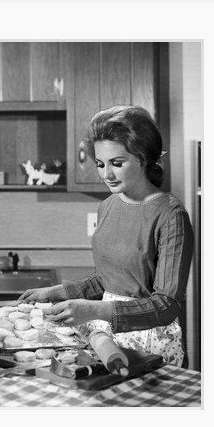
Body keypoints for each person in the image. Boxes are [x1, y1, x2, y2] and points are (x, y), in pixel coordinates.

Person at [17, 105, 194, 367]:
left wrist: (94, 309)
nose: (106, 174)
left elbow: (166, 305)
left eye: (117, 163)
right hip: (106, 339)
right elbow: (106, 280)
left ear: (144, 159)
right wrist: (56, 292)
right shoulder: (109, 205)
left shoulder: (171, 216)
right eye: (100, 164)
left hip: (151, 346)